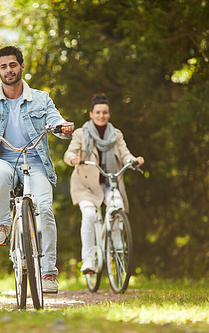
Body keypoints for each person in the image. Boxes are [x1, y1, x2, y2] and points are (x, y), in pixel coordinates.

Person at [0, 46, 74, 293]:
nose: (8, 70)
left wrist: (62, 126)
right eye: (3, 66)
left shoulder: (41, 99)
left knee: (44, 209)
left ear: (22, 67)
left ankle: (48, 273)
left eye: (13, 65)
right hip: (4, 160)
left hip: (35, 162)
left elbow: (55, 119)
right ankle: (3, 223)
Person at [63, 93, 144, 274]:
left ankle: (118, 247)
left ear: (109, 115)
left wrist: (133, 160)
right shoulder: (80, 134)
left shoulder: (116, 135)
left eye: (105, 112)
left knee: (118, 206)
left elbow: (125, 154)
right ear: (91, 114)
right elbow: (68, 153)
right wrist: (73, 159)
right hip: (85, 186)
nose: (101, 115)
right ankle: (88, 259)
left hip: (110, 181)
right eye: (98, 112)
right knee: (89, 215)